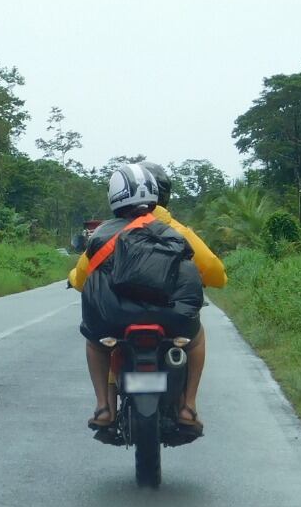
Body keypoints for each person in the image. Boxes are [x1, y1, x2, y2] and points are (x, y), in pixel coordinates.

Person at [68, 160, 223, 431]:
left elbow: (82, 280)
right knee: (196, 338)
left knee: (95, 343)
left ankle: (104, 408)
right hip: (172, 319)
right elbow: (215, 273)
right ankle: (188, 407)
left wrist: (72, 278)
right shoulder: (176, 231)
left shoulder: (103, 235)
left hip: (115, 321)